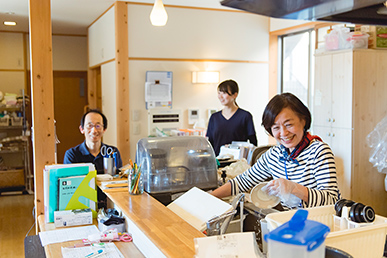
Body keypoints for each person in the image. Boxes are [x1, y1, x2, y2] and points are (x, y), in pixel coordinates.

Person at [211, 93, 340, 210]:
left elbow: (331, 200)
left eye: (289, 124)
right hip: (293, 223)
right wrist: (210, 197)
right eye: (276, 127)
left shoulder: (319, 151)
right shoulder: (274, 155)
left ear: (303, 120)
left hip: (321, 225)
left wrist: (294, 188)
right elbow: (243, 181)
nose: (283, 133)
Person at [64, 109, 123, 208]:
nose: (94, 130)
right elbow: (70, 187)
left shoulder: (113, 152)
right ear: (82, 129)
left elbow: (119, 180)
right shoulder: (72, 155)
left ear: (104, 130)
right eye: (89, 126)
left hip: (110, 205)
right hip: (82, 206)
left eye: (98, 126)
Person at [206, 79, 257, 156]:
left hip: (238, 163)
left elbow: (253, 143)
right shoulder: (214, 118)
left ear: (235, 95)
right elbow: (210, 143)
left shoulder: (245, 116)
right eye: (219, 93)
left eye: (224, 93)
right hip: (218, 162)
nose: (220, 96)